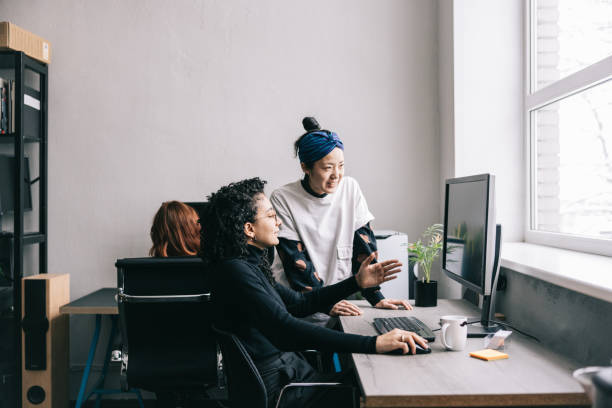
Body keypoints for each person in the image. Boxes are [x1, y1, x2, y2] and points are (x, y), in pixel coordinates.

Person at [201, 178, 428, 408]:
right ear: (249, 229)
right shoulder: (235, 272)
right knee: (386, 386)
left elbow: (299, 303)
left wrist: (357, 282)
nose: (278, 222)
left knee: (382, 377)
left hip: (291, 376)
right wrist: (374, 343)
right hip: (285, 391)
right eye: (271, 216)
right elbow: (285, 330)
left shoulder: (247, 265)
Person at [270, 117, 411, 324]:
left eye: (341, 165)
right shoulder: (283, 198)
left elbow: (363, 246)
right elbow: (295, 261)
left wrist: (376, 297)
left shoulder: (350, 188)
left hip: (338, 304)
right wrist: (325, 303)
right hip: (299, 306)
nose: (337, 175)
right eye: (327, 168)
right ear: (305, 167)